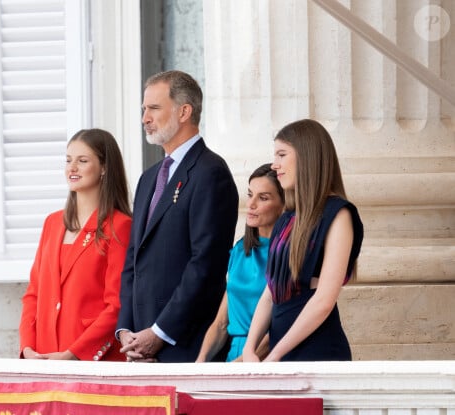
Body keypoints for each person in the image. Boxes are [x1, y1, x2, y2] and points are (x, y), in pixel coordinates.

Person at [117, 70, 239, 363]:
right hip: (139, 348)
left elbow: (206, 265)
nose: (145, 118)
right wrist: (127, 332)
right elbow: (134, 260)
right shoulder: (148, 178)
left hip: (185, 345)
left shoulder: (211, 173)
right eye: (144, 109)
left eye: (154, 108)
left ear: (184, 111)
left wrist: (159, 333)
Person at [242, 119, 364, 362]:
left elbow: (324, 300)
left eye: (282, 154)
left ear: (307, 156)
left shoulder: (338, 214)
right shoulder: (287, 217)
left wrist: (274, 355)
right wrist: (249, 349)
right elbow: (270, 292)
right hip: (280, 355)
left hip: (317, 352)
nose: (275, 165)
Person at [19, 128, 132, 361]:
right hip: (44, 357)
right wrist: (27, 348)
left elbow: (117, 305)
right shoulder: (52, 223)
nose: (72, 168)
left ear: (104, 168)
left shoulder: (119, 226)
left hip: (90, 361)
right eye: (68, 160)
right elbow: (33, 295)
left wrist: (74, 354)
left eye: (82, 161)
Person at [196, 163, 285, 362]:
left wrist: (240, 365)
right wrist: (200, 364)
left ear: (283, 206)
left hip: (266, 359)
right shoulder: (239, 250)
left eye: (263, 198)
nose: (251, 204)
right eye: (250, 194)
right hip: (234, 357)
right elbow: (220, 323)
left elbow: (282, 327)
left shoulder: (288, 254)